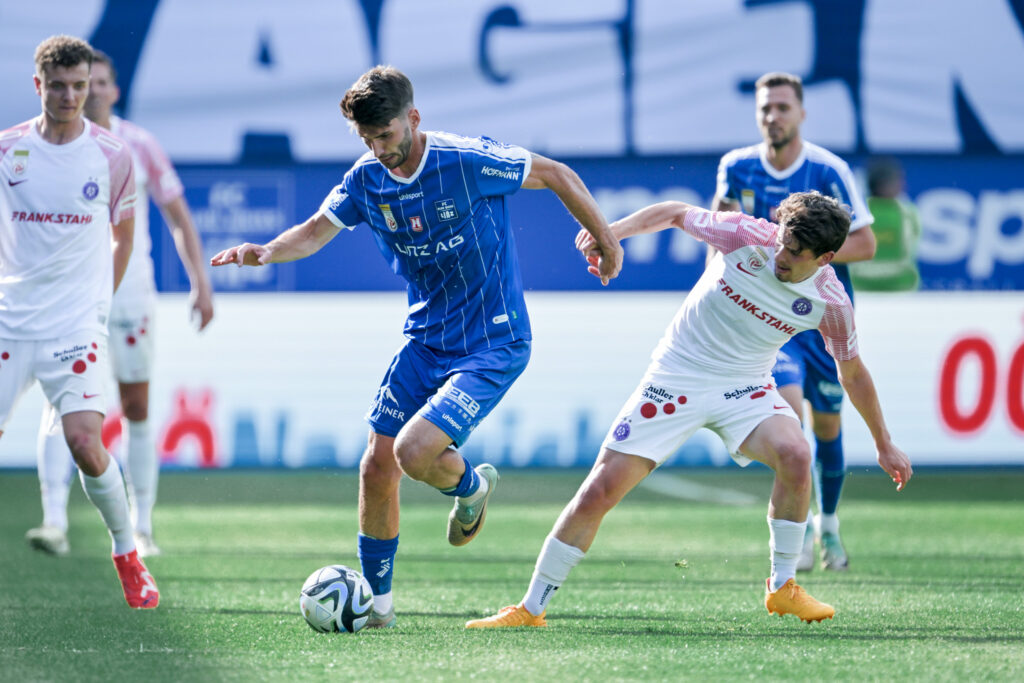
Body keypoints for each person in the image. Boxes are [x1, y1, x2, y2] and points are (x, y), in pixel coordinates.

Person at [211, 65, 622, 629]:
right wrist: (263, 251)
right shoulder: (365, 180)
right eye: (367, 140)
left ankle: (470, 486)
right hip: (425, 339)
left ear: (414, 118)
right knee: (377, 466)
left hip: (493, 339)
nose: (379, 149)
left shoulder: (465, 159)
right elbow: (312, 231)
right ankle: (379, 607)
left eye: (386, 135)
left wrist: (605, 238)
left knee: (411, 452)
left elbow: (555, 173)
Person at [466, 191, 912, 629]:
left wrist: (884, 442)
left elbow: (852, 373)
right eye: (781, 242)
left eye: (795, 253)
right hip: (676, 377)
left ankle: (782, 586)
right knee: (599, 491)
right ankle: (531, 607)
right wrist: (612, 234)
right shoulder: (745, 234)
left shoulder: (831, 303)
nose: (781, 254)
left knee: (797, 453)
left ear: (826, 258)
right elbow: (677, 213)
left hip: (746, 387)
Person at [24, 49, 215, 559]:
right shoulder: (44, 148)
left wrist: (201, 281)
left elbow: (178, 217)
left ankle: (143, 525)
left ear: (110, 88)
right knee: (60, 406)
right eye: (87, 83)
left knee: (135, 407)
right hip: (65, 300)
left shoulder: (136, 145)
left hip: (129, 295)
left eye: (100, 83)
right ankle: (54, 520)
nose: (93, 92)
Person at [0, 35, 159, 608]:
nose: (71, 96)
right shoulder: (7, 150)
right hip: (9, 323)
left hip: (74, 327)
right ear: (39, 86)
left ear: (91, 85)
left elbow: (124, 236)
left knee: (86, 443)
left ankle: (127, 554)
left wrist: (98, 301)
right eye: (59, 86)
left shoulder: (113, 155)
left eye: (81, 86)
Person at [711, 72, 876, 572]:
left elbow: (865, 244)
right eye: (765, 108)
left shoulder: (828, 170)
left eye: (782, 107)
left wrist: (802, 253)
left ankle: (830, 527)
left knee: (827, 425)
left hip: (820, 319)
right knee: (790, 419)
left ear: (801, 113)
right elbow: (721, 233)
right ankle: (798, 538)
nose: (772, 116)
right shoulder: (736, 168)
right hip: (768, 323)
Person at [849, 158, 921, 292]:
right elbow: (913, 246)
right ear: (883, 184)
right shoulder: (907, 212)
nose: (902, 184)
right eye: (898, 180)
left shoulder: (856, 211)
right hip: (902, 286)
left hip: (860, 287)